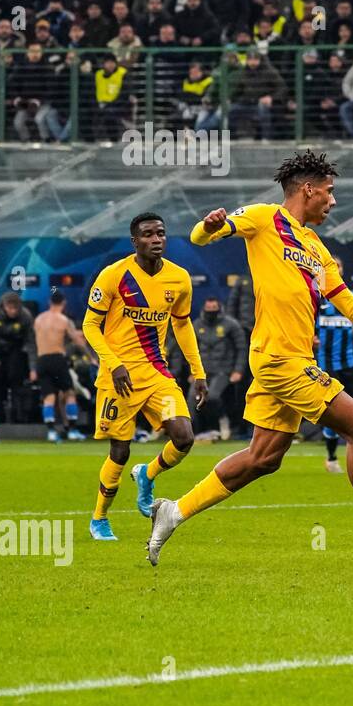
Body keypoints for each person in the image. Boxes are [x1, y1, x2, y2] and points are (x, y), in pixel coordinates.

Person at [147, 151, 353, 565]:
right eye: (329, 192)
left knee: (262, 458)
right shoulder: (265, 218)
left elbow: (352, 308)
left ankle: (172, 512)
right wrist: (206, 227)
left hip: (286, 358)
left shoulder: (317, 248)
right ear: (308, 189)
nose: (333, 201)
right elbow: (199, 237)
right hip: (280, 358)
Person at [81, 214, 208, 541]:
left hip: (156, 374)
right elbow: (89, 326)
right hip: (117, 379)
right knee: (119, 452)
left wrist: (198, 371)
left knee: (184, 437)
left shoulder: (179, 279)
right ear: (134, 241)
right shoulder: (114, 275)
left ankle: (147, 475)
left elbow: (182, 324)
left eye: (161, 234)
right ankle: (99, 518)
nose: (156, 239)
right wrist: (113, 363)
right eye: (148, 235)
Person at [316, 257, 353, 474]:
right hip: (326, 362)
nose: (336, 269)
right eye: (332, 265)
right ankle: (331, 457)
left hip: (351, 361)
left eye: (339, 265)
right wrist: (311, 337)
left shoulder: (352, 296)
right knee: (333, 412)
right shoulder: (316, 297)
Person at [177, 296, 247, 441]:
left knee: (213, 396)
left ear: (219, 308)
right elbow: (188, 349)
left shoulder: (231, 325)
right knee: (191, 399)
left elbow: (241, 348)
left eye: (214, 309)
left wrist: (238, 370)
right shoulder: (196, 325)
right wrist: (192, 371)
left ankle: (220, 422)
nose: (211, 311)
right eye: (208, 309)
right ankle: (196, 433)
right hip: (202, 372)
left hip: (223, 370)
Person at [32, 292, 90, 442]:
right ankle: (71, 430)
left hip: (41, 360)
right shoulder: (64, 320)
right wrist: (92, 358)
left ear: (49, 302)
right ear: (63, 303)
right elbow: (78, 341)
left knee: (49, 397)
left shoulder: (38, 319)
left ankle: (51, 432)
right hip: (57, 359)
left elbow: (35, 341)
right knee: (69, 393)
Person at [0, 291, 37, 424]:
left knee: (16, 382)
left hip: (15, 350)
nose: (13, 311)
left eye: (16, 309)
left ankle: (18, 419)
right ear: (3, 306)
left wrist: (33, 368)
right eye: (10, 308)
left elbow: (31, 343)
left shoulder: (25, 316)